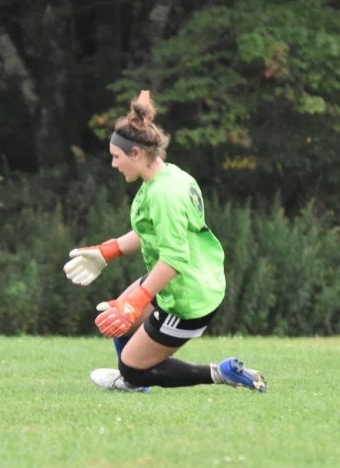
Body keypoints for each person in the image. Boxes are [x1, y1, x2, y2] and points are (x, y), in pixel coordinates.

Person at [63, 90, 266, 393]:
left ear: (135, 154)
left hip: (188, 295)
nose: (114, 164)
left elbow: (173, 260)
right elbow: (151, 234)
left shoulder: (163, 194)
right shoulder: (167, 177)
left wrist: (137, 301)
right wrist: (108, 252)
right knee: (118, 315)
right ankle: (133, 380)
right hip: (187, 277)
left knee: (133, 364)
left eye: (116, 157)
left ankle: (218, 373)